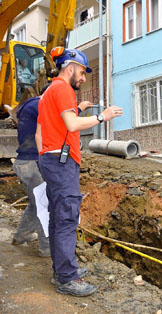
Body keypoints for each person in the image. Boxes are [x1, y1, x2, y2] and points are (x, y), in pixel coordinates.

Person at [36, 48, 122, 297]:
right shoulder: (62, 89)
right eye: (82, 72)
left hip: (50, 160)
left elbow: (43, 130)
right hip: (62, 163)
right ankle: (66, 278)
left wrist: (45, 157)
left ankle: (61, 270)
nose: (83, 78)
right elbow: (72, 124)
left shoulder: (48, 92)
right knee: (66, 220)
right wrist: (101, 117)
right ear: (70, 67)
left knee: (57, 219)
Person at [11, 85, 51, 257]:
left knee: (36, 203)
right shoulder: (41, 105)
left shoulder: (31, 105)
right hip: (32, 162)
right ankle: (47, 249)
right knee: (44, 204)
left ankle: (21, 235)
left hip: (24, 162)